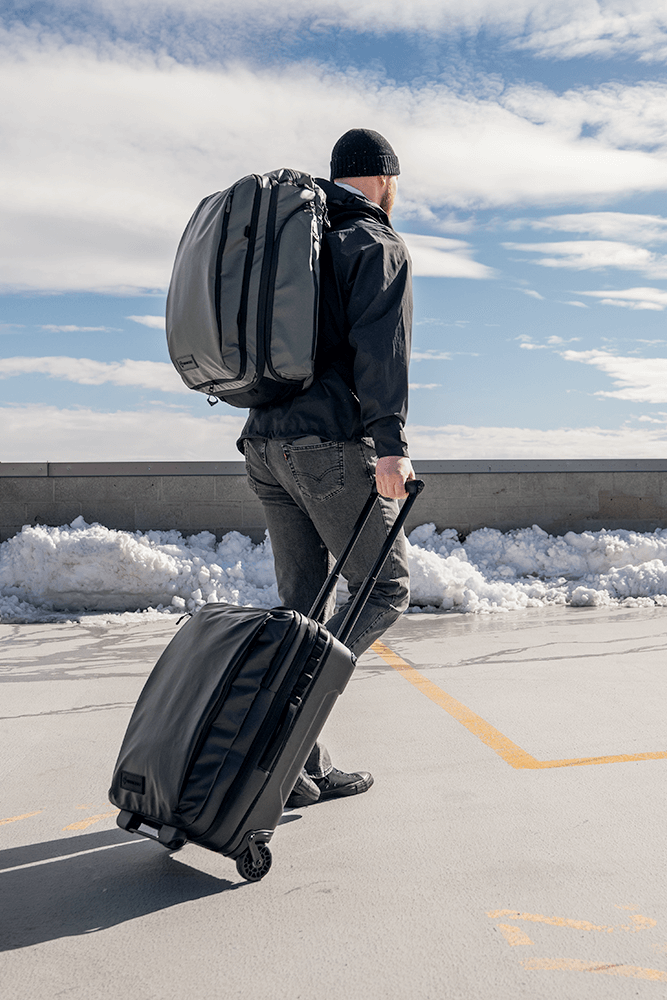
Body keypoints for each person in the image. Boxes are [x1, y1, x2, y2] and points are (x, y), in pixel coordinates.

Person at [238, 128, 415, 808]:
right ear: (384, 179)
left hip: (263, 443)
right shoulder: (373, 241)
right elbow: (381, 348)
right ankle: (285, 724)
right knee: (386, 588)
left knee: (304, 610)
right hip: (328, 446)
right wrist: (390, 444)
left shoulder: (294, 237)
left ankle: (296, 770)